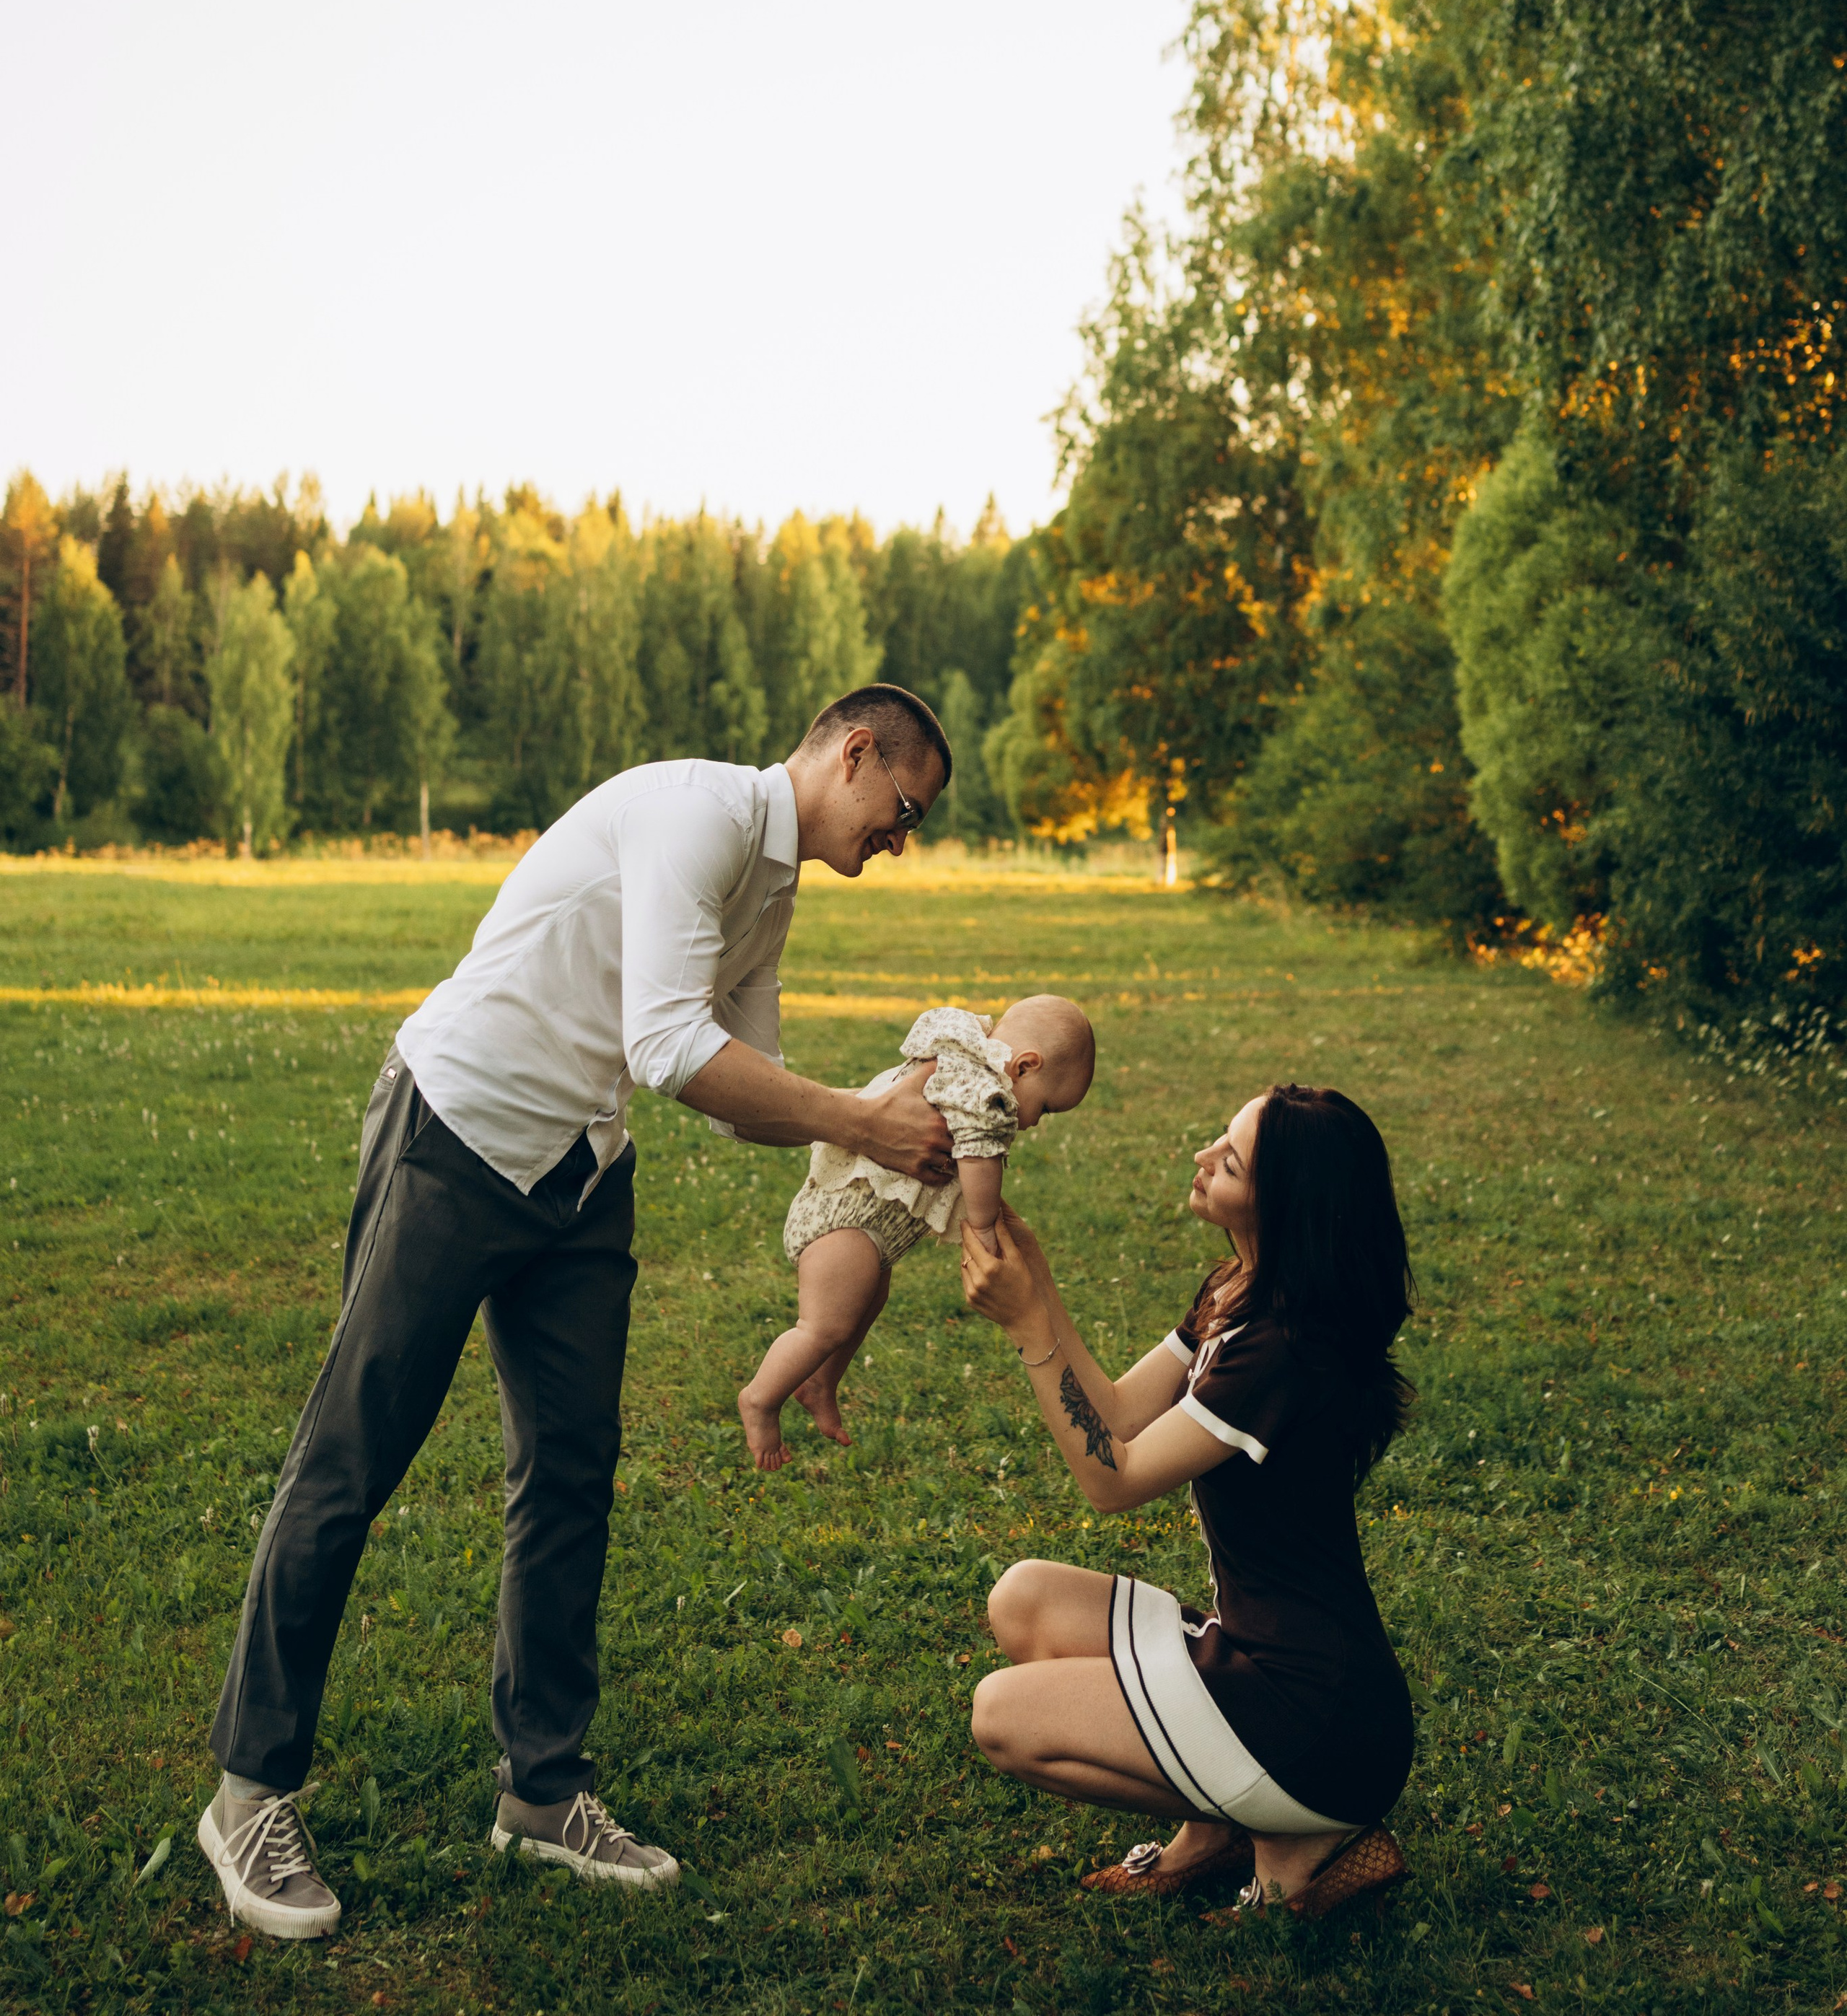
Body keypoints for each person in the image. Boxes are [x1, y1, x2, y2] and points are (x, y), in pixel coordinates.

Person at [198, 686, 955, 1943]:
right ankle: (249, 1794)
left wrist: (886, 1126)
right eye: (905, 808)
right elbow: (667, 1045)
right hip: (458, 1129)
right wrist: (858, 1117)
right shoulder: (699, 815)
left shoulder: (774, 886)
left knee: (569, 1476)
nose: (900, 836)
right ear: (854, 751)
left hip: (578, 1174)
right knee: (352, 1459)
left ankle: (542, 1793)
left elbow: (732, 1097)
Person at [961, 1082, 1416, 1923]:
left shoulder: (1287, 1352)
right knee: (1024, 1598)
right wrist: (1041, 1285)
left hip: (1317, 1717)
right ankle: (1223, 1827)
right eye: (1221, 1136)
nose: (1203, 1156)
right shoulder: (1238, 1293)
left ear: (1282, 1205)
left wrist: (1030, 1331)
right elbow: (1123, 1415)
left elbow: (1114, 1478)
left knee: (1002, 1716)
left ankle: (1300, 1838)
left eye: (1231, 1159)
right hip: (1263, 1661)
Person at [737, 996, 1096, 1471]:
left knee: (869, 1297)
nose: (1031, 1122)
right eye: (1046, 1108)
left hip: (865, 1223)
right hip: (847, 1215)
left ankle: (819, 1382)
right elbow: (977, 1159)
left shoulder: (963, 1053)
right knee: (824, 1326)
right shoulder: (982, 1088)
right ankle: (761, 1400)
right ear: (1027, 1066)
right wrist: (984, 1228)